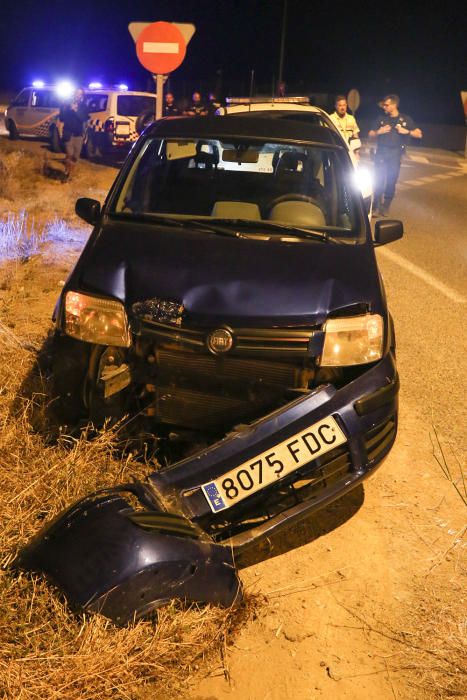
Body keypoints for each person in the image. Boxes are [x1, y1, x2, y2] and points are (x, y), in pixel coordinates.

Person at [369, 94, 422, 216]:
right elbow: (370, 134)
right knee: (378, 180)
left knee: (391, 181)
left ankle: (386, 206)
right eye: (384, 105)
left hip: (395, 155)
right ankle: (376, 206)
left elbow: (419, 134)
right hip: (381, 154)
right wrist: (378, 132)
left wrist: (407, 131)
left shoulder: (405, 119)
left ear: (394, 105)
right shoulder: (381, 118)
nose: (384, 107)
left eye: (386, 105)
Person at [59, 88, 89, 179]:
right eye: (76, 93)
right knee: (69, 154)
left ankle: (70, 172)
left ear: (82, 96)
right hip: (68, 134)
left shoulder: (84, 107)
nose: (78, 96)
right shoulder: (67, 105)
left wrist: (76, 110)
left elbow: (83, 118)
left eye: (80, 94)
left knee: (75, 157)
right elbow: (62, 118)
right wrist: (65, 108)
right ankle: (66, 173)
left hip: (78, 134)